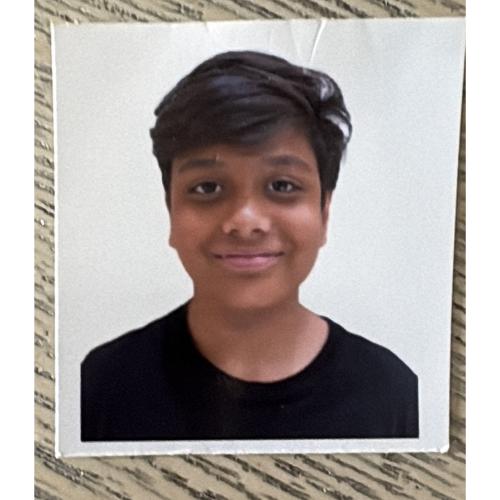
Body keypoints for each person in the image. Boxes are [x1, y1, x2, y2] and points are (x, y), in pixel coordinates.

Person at [81, 51, 419, 441]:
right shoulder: (103, 384)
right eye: (207, 187)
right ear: (171, 210)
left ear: (324, 212)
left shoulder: (392, 394)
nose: (245, 222)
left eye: (282, 186)